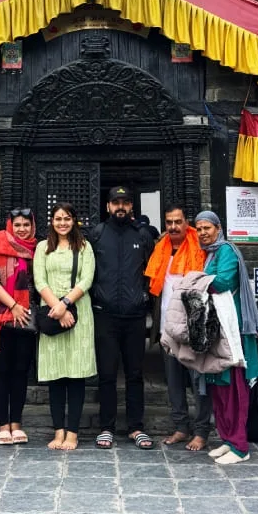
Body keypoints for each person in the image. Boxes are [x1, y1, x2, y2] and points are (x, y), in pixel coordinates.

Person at [194, 210, 258, 465]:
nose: (203, 233)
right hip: (218, 328)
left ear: (218, 228)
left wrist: (196, 280)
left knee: (234, 388)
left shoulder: (227, 252)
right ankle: (228, 439)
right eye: (199, 229)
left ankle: (240, 445)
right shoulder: (210, 254)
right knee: (219, 385)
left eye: (207, 228)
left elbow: (222, 282)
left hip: (232, 330)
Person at [89, 185, 155, 450]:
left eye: (125, 202)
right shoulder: (97, 235)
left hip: (135, 315)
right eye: (116, 202)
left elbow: (152, 272)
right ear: (108, 206)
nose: (120, 207)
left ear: (131, 207)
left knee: (135, 373)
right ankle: (106, 427)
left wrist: (146, 301)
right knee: (106, 374)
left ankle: (136, 427)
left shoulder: (142, 235)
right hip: (105, 315)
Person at [145, 204, 211, 451]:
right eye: (169, 222)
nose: (173, 226)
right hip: (168, 327)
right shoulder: (160, 249)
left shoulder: (201, 249)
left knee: (198, 382)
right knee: (173, 382)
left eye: (178, 222)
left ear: (187, 223)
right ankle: (181, 427)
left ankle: (202, 430)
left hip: (193, 328)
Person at [34, 202, 96, 451]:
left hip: (78, 311)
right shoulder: (42, 248)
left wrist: (67, 303)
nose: (62, 223)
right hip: (52, 311)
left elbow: (87, 278)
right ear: (52, 221)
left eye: (67, 218)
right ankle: (58, 430)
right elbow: (39, 279)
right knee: (56, 376)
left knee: (75, 375)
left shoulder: (83, 247)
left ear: (74, 221)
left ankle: (73, 432)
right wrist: (57, 309)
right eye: (58, 218)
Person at [0, 207, 38, 446]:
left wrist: (21, 309)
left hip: (25, 319)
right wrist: (13, 305)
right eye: (18, 225)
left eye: (26, 225)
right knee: (1, 371)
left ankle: (16, 423)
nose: (22, 229)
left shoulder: (38, 250)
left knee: (20, 372)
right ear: (9, 226)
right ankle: (3, 425)